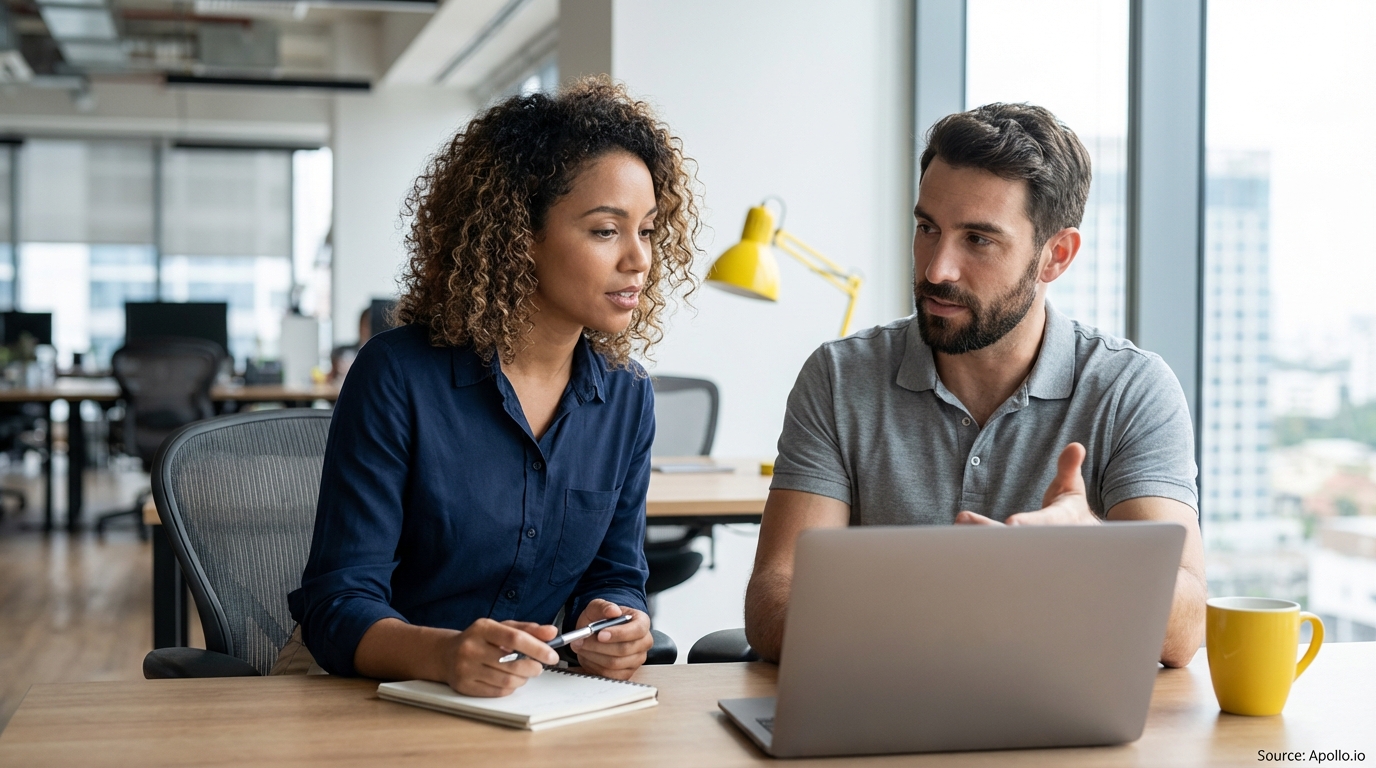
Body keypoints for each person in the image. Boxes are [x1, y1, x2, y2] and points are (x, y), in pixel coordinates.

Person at [743, 103, 1206, 668]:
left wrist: (1092, 553)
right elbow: (773, 604)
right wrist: (961, 617)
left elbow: (1185, 629)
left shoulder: (1132, 389)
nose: (937, 268)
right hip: (884, 718)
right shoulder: (840, 377)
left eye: (978, 240)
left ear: (1055, 256)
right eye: (927, 228)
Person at [286, 78, 699, 696]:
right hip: (362, 689)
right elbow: (338, 604)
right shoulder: (396, 375)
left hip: (525, 697)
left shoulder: (626, 396)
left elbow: (616, 572)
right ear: (518, 238)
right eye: (606, 230)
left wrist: (613, 620)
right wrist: (444, 654)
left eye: (647, 231)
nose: (639, 259)